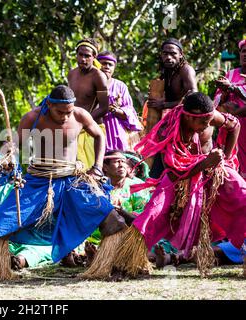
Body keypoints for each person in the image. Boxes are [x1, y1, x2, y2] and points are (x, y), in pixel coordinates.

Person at [0, 85, 128, 281]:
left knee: (111, 218)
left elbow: (100, 135)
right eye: (61, 112)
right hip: (39, 181)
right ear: (49, 104)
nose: (66, 116)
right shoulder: (33, 118)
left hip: (73, 180)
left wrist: (98, 167)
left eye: (69, 111)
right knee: (4, 220)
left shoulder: (80, 115)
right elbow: (14, 146)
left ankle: (116, 265)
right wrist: (6, 159)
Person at [101, 92, 245, 279]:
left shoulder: (209, 116)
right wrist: (205, 164)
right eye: (202, 122)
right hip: (180, 176)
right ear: (189, 116)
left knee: (243, 197)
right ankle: (124, 263)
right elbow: (173, 170)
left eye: (210, 120)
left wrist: (224, 158)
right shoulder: (168, 129)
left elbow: (234, 124)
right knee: (152, 214)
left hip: (214, 170)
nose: (207, 126)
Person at [148, 38, 198, 178]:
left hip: (185, 123)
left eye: (173, 53)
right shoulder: (167, 71)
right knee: (160, 160)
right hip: (171, 122)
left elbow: (192, 95)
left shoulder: (186, 70)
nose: (168, 57)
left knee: (178, 162)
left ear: (181, 54)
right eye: (165, 53)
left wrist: (163, 105)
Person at [68, 38, 110, 169]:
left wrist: (84, 122)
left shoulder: (98, 76)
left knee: (88, 172)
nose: (83, 59)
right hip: (73, 128)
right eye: (80, 55)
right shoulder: (72, 74)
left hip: (92, 131)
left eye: (87, 56)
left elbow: (104, 107)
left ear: (94, 57)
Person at [97, 51, 143, 151]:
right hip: (95, 128)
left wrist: (113, 109)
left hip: (115, 132)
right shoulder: (89, 84)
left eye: (110, 64)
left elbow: (129, 111)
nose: (106, 67)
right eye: (103, 63)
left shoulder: (120, 86)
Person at [214, 39, 246, 179]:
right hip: (229, 128)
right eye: (243, 51)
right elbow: (217, 100)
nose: (245, 55)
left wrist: (232, 87)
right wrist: (225, 93)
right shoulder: (231, 74)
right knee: (228, 163)